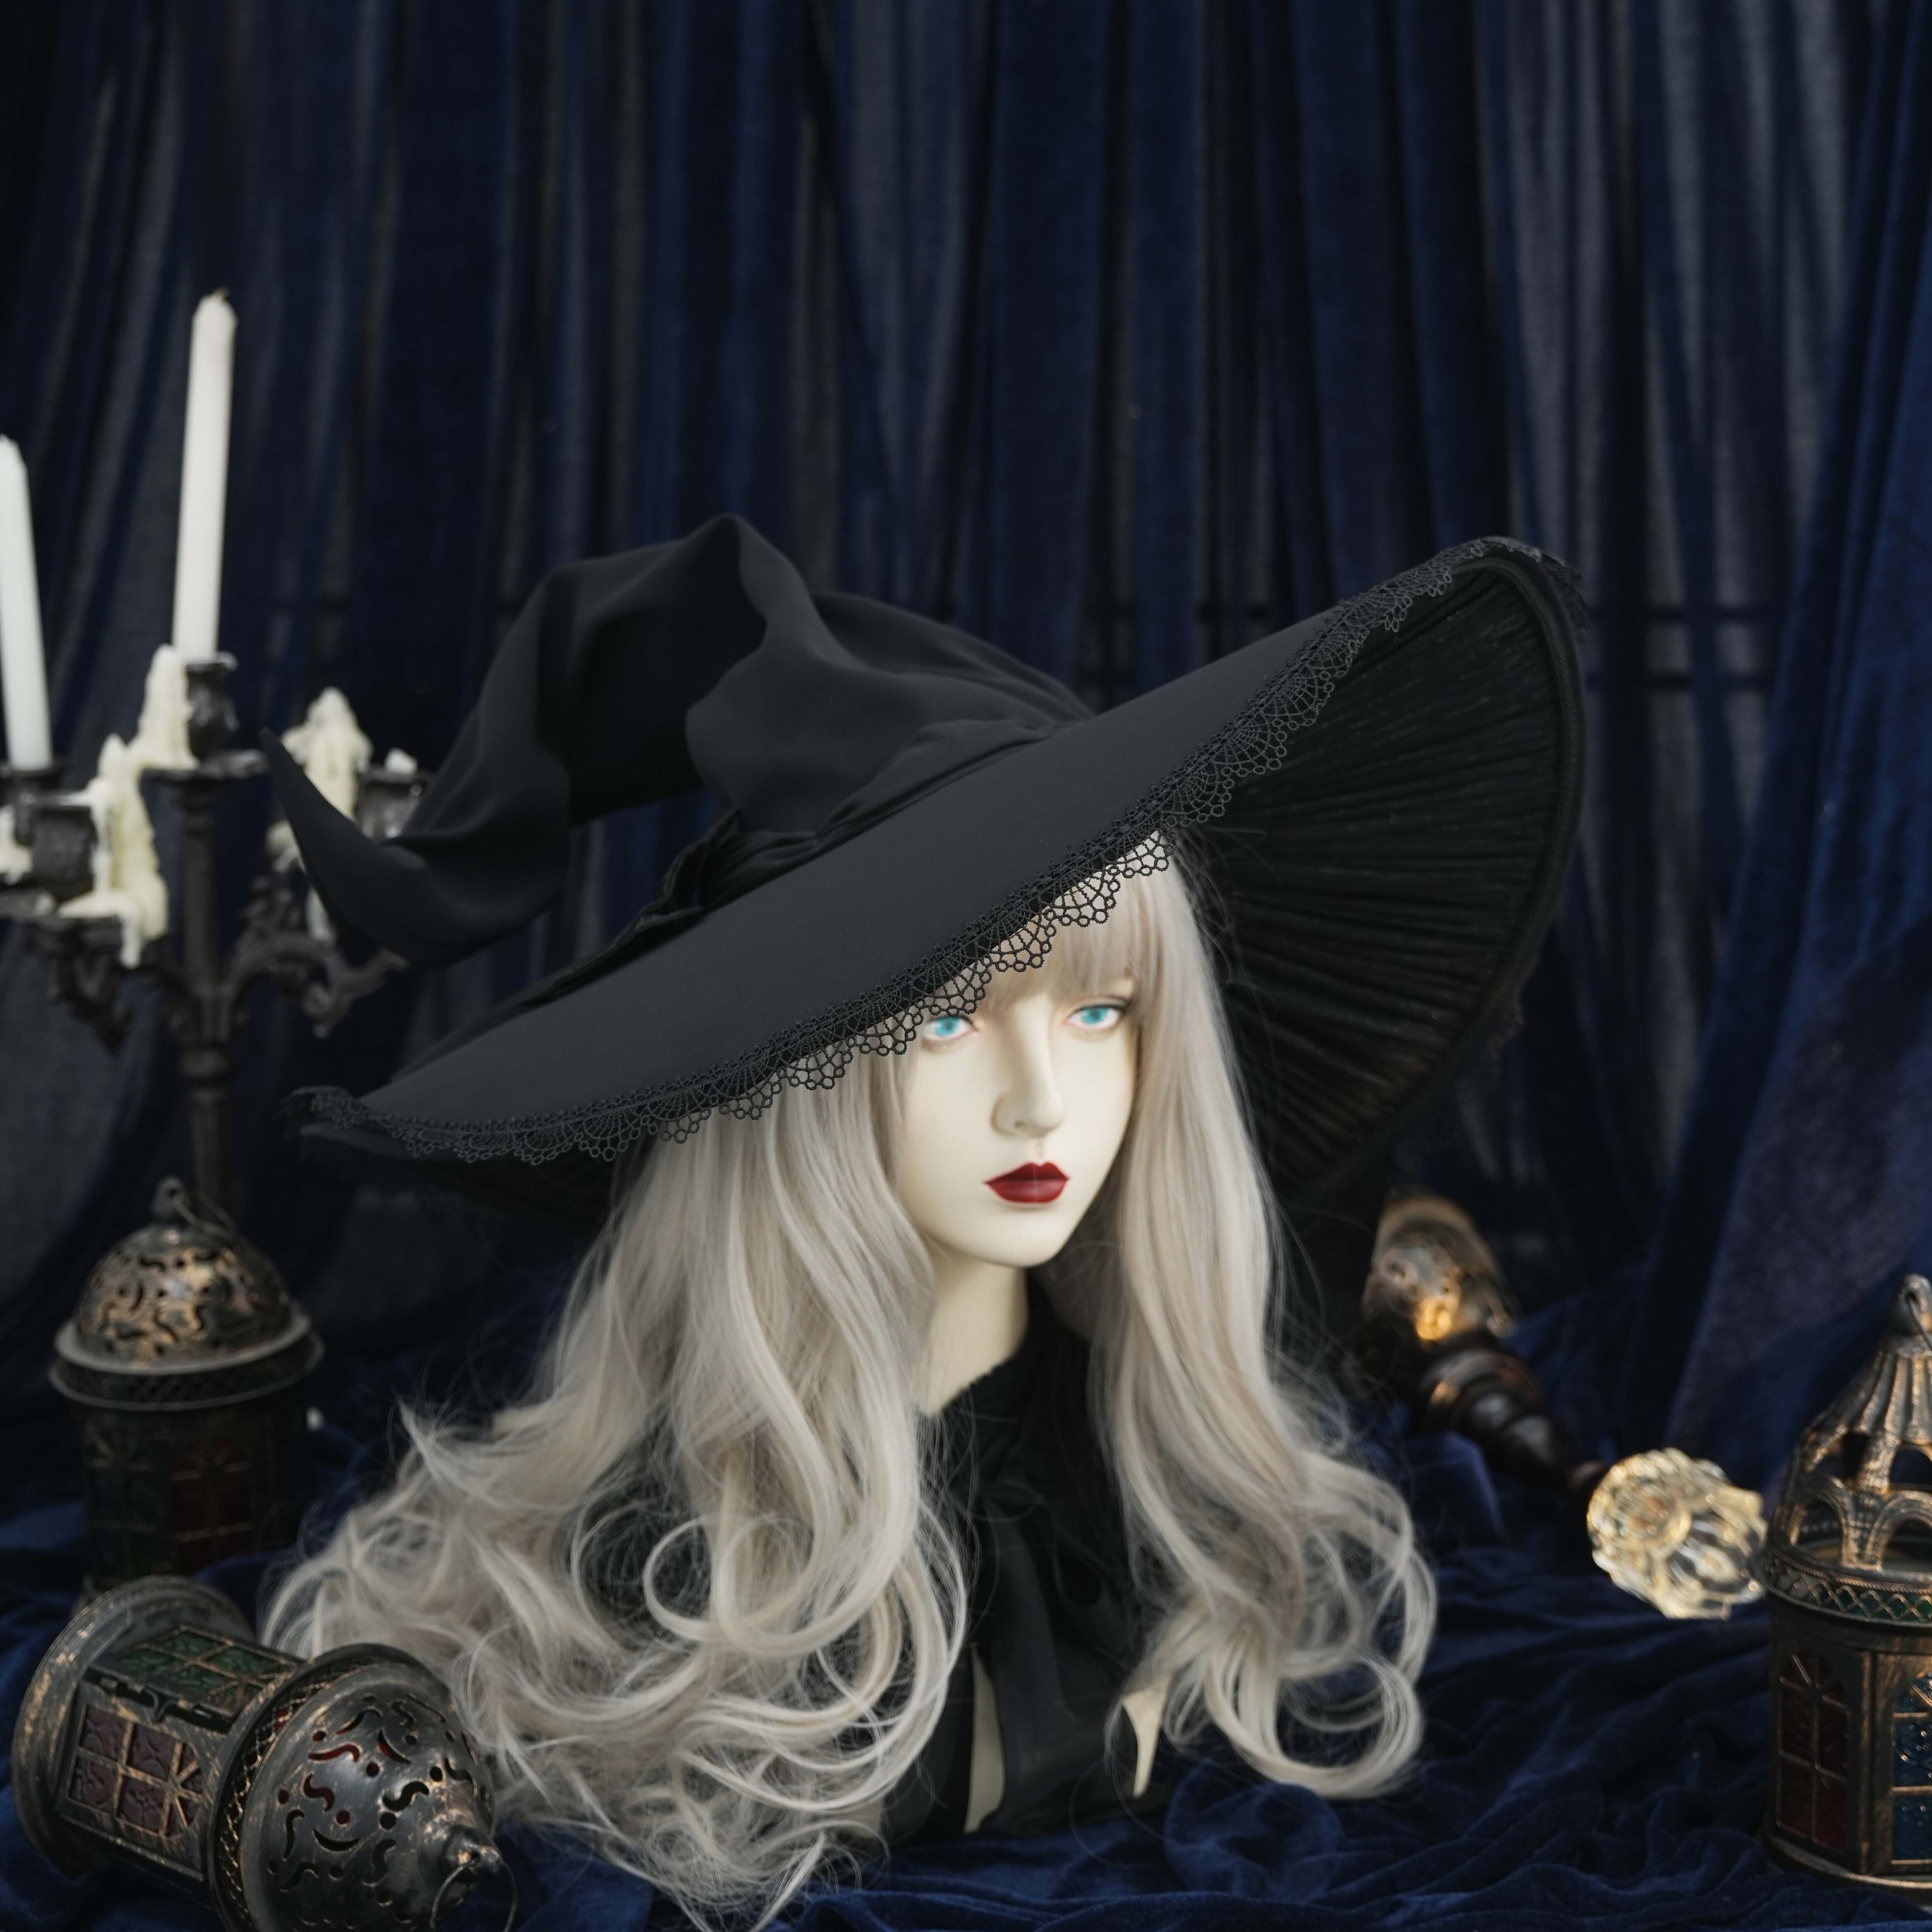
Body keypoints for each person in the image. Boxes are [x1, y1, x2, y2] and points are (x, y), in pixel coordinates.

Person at [262, 516, 1585, 1926]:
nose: (1042, 1102)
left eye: (1099, 1012)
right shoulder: (668, 1564)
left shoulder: (1153, 1501)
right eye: (950, 1020)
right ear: (800, 1084)